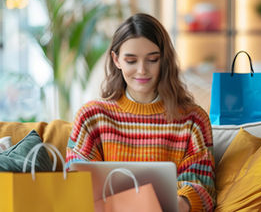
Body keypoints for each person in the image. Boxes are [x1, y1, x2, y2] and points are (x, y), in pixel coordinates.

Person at [66, 13, 215, 212]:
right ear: (116, 60)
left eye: (152, 60)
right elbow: (76, 182)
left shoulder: (193, 120)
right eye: (131, 61)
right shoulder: (91, 117)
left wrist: (175, 205)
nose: (142, 70)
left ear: (164, 60)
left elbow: (201, 186)